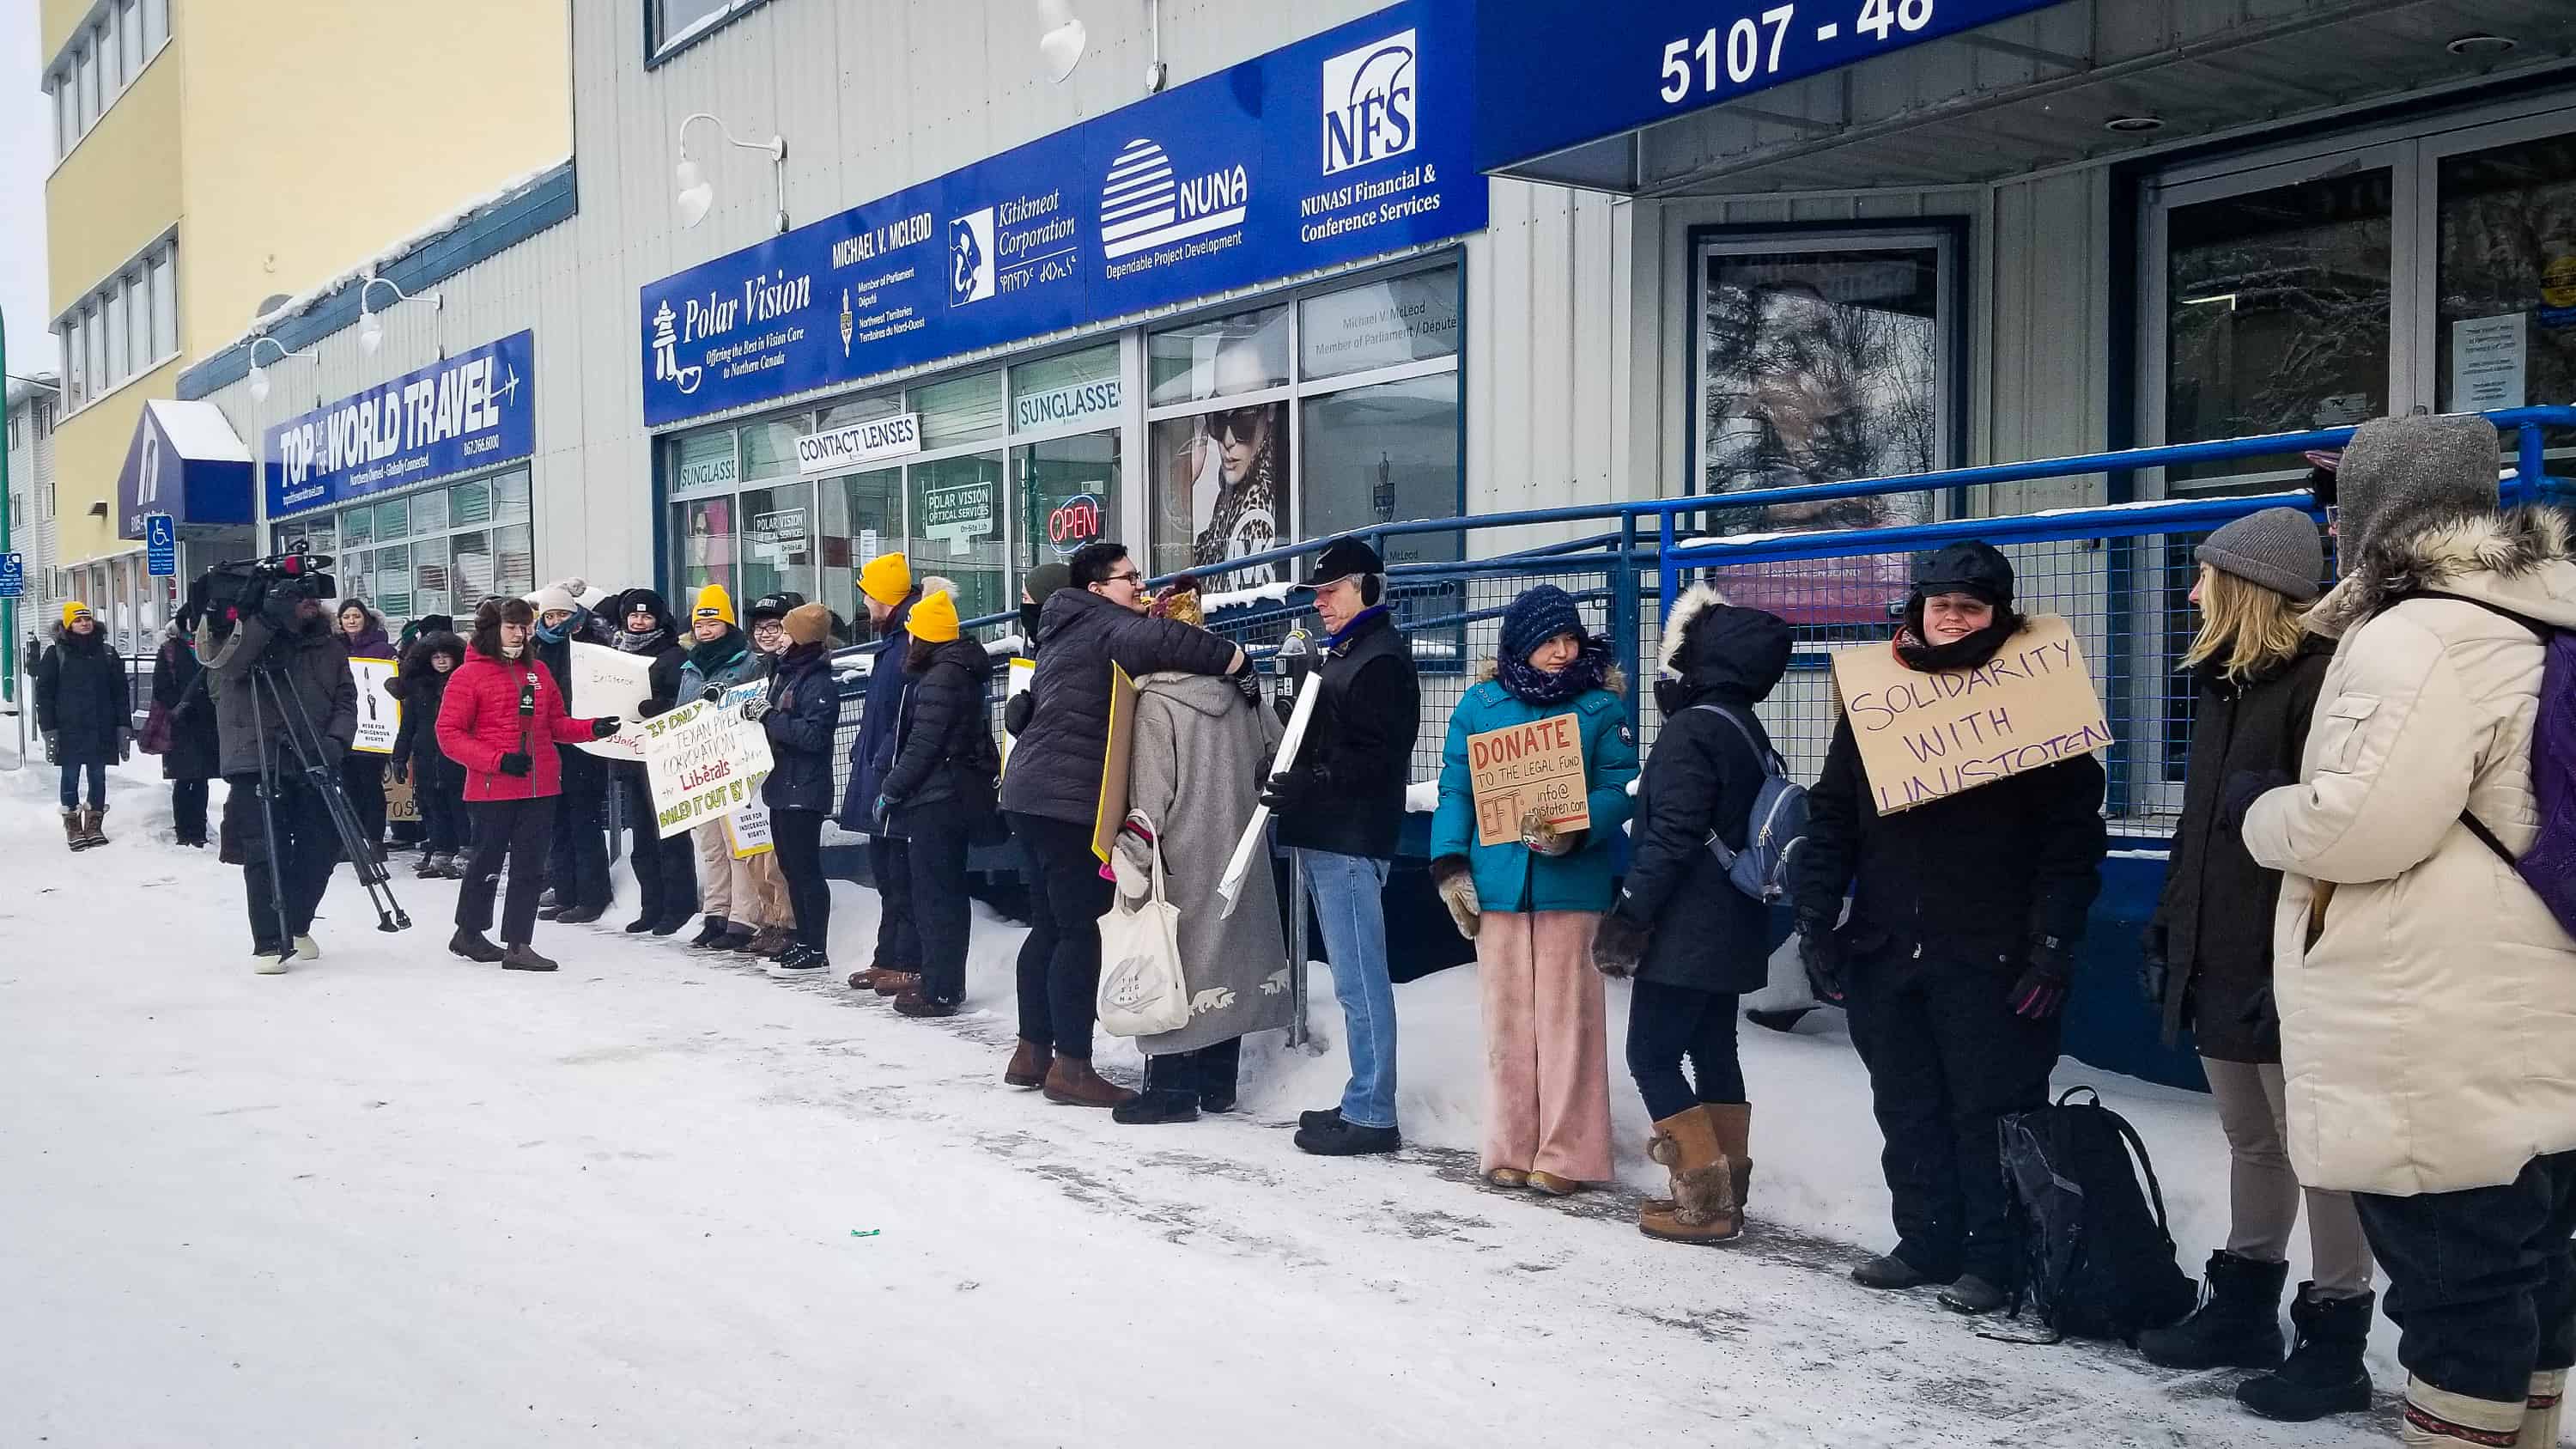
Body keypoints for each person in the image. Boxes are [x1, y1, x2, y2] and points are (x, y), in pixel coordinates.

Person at [2240, 412, 2576, 1449]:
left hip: (2430, 1012)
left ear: (2378, 512)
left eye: (2341, 511)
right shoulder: (2543, 615)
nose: (2332, 532)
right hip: (2534, 998)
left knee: (2457, 1286)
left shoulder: (2421, 631)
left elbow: (2366, 821)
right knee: (2534, 1266)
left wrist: (2265, 812)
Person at [1790, 541, 2107, 1316]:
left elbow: (2072, 842)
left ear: (1999, 615)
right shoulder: (1874, 701)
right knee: (1906, 1103)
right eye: (1942, 607)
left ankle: (1996, 1259)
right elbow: (1832, 818)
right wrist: (1816, 916)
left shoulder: (2041, 702)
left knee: (1988, 1110)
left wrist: (2052, 946)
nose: (1954, 620)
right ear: (1918, 613)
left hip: (1992, 950)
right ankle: (1926, 1238)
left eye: (1971, 608)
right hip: (1888, 943)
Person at [2135, 508, 2375, 1421]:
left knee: (2321, 1152)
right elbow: (2198, 828)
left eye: (2203, 578)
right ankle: (2244, 1306)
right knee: (2252, 1139)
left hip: (2288, 955)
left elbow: (2331, 823)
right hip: (2216, 948)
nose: (2191, 594)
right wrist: (2169, 927)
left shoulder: (2317, 683)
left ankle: (2338, 1331)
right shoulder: (2221, 682)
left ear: (2248, 590)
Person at [999, 540, 1250, 1107]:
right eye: (1128, 577)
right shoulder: (1108, 626)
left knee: (1046, 925)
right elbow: (1176, 641)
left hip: (1027, 794)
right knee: (1077, 932)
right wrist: (1239, 660)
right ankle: (1072, 1067)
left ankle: (1030, 1051)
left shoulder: (1064, 628)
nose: (1138, 584)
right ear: (1097, 589)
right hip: (1068, 805)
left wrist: (1144, 609)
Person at [1591, 586, 1792, 1243]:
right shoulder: (1743, 727)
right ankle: (1728, 1189)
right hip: (1734, 925)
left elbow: (1671, 837)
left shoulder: (1689, 731)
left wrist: (1628, 916)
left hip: (1685, 929)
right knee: (1712, 1048)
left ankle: (1702, 1200)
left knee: (1650, 1054)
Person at [1428, 585, 1638, 1193]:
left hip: (1570, 887)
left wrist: (1574, 829)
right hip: (1498, 887)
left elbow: (1619, 789)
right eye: (1550, 639)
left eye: (1571, 637)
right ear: (1521, 643)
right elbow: (1457, 789)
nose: (1564, 650)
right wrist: (1449, 863)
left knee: (1567, 1023)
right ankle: (1509, 1145)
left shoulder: (1601, 708)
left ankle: (1569, 1153)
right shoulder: (1480, 705)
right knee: (1507, 1023)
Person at [1260, 538, 1422, 1157]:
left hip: (1352, 839)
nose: (1320, 604)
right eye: (1317, 594)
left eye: (1330, 591)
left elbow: (1377, 760)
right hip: (1330, 833)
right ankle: (1363, 1098)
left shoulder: (1379, 659)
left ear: (1368, 587)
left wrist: (1313, 778)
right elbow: (1333, 743)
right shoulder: (1350, 653)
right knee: (1354, 980)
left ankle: (1374, 1110)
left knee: (1360, 982)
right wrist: (1282, 767)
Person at [1109, 587, 1291, 1124]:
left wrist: (1133, 853)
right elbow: (1274, 752)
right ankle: (1218, 1084)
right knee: (1227, 955)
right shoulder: (1241, 694)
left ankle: (1169, 1090)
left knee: (1175, 957)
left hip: (1179, 851)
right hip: (1238, 844)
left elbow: (1152, 793)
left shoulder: (1156, 703)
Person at [436, 596, 620, 971]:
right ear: (492, 630)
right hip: (493, 788)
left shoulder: (537, 671)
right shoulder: (467, 676)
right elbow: (449, 734)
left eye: (525, 627)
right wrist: (497, 761)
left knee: (530, 867)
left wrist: (591, 729)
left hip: (541, 785)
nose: (520, 634)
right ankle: (469, 931)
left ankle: (518, 943)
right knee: (486, 862)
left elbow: (556, 725)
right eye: (512, 627)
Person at [196, 578, 359, 975]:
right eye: (295, 597)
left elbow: (347, 698)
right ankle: (269, 940)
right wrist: (265, 621)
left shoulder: (329, 645)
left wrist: (336, 742)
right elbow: (228, 668)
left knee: (321, 845)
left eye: (311, 597)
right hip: (257, 758)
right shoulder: (241, 633)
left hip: (316, 756)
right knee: (263, 849)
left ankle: (298, 921)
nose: (306, 603)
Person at [873, 589, 997, 1016]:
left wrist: (893, 787)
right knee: (941, 892)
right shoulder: (957, 669)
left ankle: (941, 987)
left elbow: (924, 743)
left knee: (935, 894)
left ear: (923, 635)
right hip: (951, 792)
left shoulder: (941, 676)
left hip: (938, 798)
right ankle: (941, 979)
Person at [839, 553, 923, 992]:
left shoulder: (908, 639)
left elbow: (907, 713)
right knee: (888, 873)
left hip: (895, 777)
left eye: (868, 593)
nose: (865, 603)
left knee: (902, 876)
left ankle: (907, 960)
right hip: (880, 771)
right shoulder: (893, 641)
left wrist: (885, 763)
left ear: (885, 598)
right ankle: (888, 955)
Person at [746, 601, 844, 977]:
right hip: (783, 783)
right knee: (789, 867)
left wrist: (770, 717)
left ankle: (815, 946)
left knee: (805, 870)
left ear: (801, 637)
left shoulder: (816, 681)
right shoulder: (786, 673)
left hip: (805, 787)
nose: (778, 637)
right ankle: (802, 940)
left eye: (785, 631)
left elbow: (814, 736)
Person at [678, 585, 773, 953]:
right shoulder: (690, 666)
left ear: (727, 624)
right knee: (711, 844)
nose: (705, 630)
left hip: (735, 761)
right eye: (700, 624)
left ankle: (743, 917)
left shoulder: (748, 662)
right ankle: (715, 912)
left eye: (713, 623)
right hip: (701, 764)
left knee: (739, 845)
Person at [609, 588, 698, 935]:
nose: (639, 621)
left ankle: (679, 906)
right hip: (628, 754)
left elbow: (682, 701)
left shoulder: (673, 654)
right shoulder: (615, 653)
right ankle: (651, 905)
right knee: (642, 838)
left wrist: (658, 707)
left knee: (670, 837)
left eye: (646, 616)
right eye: (634, 616)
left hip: (664, 756)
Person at [526, 581, 614, 926]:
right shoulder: (536, 647)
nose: (556, 620)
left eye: (563, 613)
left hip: (583, 739)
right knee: (556, 820)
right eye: (550, 615)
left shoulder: (591, 642)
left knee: (584, 820)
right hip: (549, 741)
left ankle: (592, 895)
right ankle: (565, 891)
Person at [36, 600, 130, 851]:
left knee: (98, 776)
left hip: (102, 727)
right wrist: (49, 729)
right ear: (68, 624)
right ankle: (73, 824)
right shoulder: (56, 654)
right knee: (70, 776)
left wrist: (123, 726)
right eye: (77, 620)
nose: (84, 623)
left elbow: (120, 692)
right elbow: (44, 694)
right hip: (70, 728)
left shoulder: (107, 653)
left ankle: (94, 823)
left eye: (86, 619)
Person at [389, 628, 469, 880]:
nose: (442, 661)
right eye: (436, 657)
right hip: (425, 755)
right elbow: (407, 725)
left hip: (457, 756)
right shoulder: (418, 689)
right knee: (433, 807)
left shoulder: (464, 685)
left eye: (446, 656)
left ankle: (465, 855)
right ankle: (440, 853)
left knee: (460, 808)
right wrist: (399, 757)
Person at [150, 609, 221, 849]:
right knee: (182, 779)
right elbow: (161, 685)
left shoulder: (214, 645)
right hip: (180, 722)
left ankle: (199, 830)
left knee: (202, 778)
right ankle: (183, 830)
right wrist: (177, 706)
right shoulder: (170, 649)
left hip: (208, 722)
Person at [333, 599, 396, 854]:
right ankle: (352, 842)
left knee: (370, 785)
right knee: (348, 787)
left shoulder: (382, 648)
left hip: (374, 731)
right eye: (346, 617)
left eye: (356, 616)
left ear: (365, 618)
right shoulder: (334, 648)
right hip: (345, 728)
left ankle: (374, 841)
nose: (351, 621)